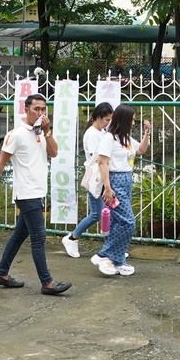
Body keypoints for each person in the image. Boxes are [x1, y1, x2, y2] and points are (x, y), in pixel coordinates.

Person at [0, 94, 70, 296]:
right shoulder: (16, 134)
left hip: (37, 191)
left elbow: (54, 153)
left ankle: (2, 273)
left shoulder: (41, 132)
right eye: (36, 108)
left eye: (43, 109)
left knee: (20, 234)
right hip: (26, 192)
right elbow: (0, 164)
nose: (40, 113)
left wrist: (47, 131)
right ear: (26, 109)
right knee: (38, 237)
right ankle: (47, 282)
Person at [92, 103, 147, 277]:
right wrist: (108, 188)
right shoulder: (109, 138)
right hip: (115, 181)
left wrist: (147, 133)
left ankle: (117, 260)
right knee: (128, 222)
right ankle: (104, 254)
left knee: (118, 221)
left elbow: (141, 150)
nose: (133, 122)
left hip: (126, 180)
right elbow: (103, 162)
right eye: (131, 119)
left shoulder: (126, 138)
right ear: (124, 120)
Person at [62, 102, 114, 258]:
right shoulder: (92, 134)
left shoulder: (102, 131)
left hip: (103, 176)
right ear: (97, 118)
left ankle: (111, 247)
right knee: (97, 214)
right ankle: (72, 237)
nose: (108, 122)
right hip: (96, 178)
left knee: (107, 214)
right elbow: (96, 158)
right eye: (106, 119)